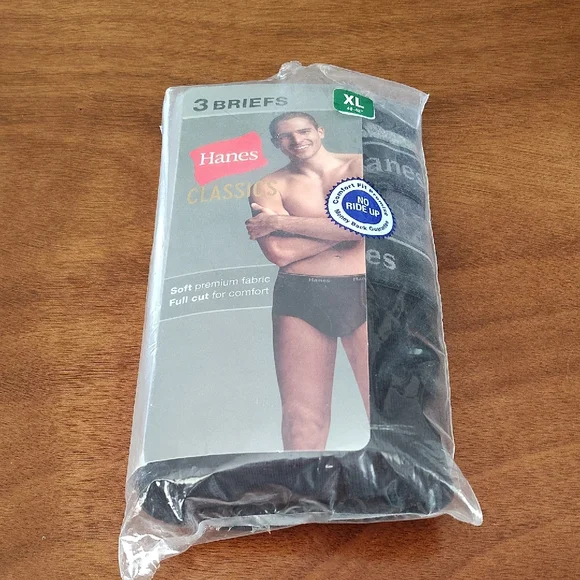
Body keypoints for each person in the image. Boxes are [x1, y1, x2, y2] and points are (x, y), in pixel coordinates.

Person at [245, 112, 369, 452]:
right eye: (286, 136)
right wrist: (350, 229)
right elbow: (280, 252)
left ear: (320, 131)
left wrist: (282, 222)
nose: (297, 140)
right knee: (301, 420)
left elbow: (372, 225)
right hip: (300, 296)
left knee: (386, 408)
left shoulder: (360, 166)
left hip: (364, 290)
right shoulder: (267, 186)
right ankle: (301, 486)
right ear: (276, 143)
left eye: (303, 131)